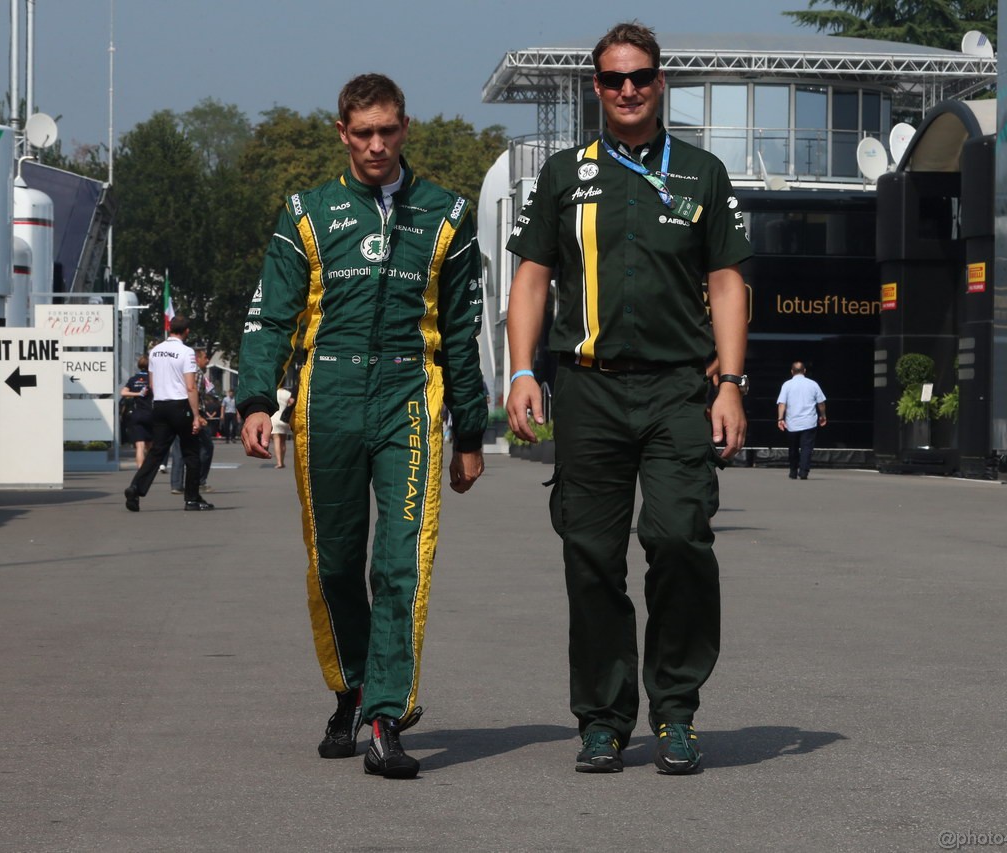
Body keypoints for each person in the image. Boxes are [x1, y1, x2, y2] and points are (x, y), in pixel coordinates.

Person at [504, 21, 751, 776]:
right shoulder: (562, 175)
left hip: (682, 389)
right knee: (590, 553)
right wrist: (520, 372)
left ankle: (676, 711)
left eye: (640, 75)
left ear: (660, 80)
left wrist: (733, 383)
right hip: (590, 390)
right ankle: (604, 718)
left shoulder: (703, 174)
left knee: (679, 538)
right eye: (613, 79)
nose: (628, 89)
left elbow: (727, 281)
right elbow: (534, 277)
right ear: (596, 89)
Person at [236, 73, 487, 780]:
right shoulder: (306, 214)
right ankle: (348, 689)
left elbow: (462, 331)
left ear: (406, 128)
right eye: (363, 132)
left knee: (401, 562)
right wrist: (257, 399)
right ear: (342, 133)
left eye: (389, 130)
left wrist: (468, 435)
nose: (377, 145)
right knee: (337, 562)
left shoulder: (446, 214)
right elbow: (271, 316)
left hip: (410, 391)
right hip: (329, 395)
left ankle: (385, 716)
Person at [123, 316, 214, 512]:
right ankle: (192, 498)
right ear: (186, 331)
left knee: (157, 452)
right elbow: (190, 386)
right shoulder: (186, 352)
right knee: (191, 452)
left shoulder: (155, 351)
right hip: (180, 405)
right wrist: (196, 415)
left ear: (170, 328)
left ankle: (135, 487)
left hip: (160, 405)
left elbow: (153, 384)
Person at [171, 348, 217, 493]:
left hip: (178, 411)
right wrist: (198, 416)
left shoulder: (183, 372)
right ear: (197, 359)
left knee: (179, 449)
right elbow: (193, 392)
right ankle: (199, 481)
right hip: (193, 412)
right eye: (205, 357)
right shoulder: (196, 373)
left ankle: (177, 484)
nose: (207, 360)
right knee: (206, 447)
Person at [776, 361, 828, 480]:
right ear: (804, 371)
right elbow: (821, 403)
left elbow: (782, 403)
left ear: (792, 372)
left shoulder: (787, 385)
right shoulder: (813, 384)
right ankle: (804, 471)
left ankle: (793, 471)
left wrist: (780, 418)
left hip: (792, 422)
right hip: (809, 422)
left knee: (793, 448)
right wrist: (823, 415)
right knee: (806, 448)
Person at [120, 355, 154, 469]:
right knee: (150, 445)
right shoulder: (152, 378)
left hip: (136, 414)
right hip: (150, 414)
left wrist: (137, 394)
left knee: (139, 445)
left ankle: (140, 469)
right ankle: (149, 469)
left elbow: (123, 393)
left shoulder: (133, 379)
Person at [269, 387, 293, 469]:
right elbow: (291, 405)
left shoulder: (273, 393)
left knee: (276, 440)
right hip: (285, 419)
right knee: (283, 441)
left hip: (275, 418)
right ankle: (282, 461)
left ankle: (279, 462)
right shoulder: (288, 394)